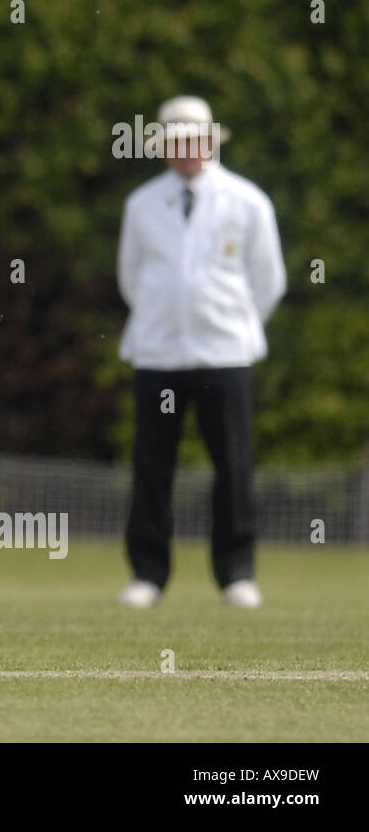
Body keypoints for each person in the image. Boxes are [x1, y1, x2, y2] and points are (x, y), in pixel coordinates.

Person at [116, 95, 286, 609]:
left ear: (210, 142)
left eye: (193, 141)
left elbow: (268, 281)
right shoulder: (142, 204)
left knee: (232, 465)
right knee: (152, 464)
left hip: (225, 354)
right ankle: (148, 575)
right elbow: (131, 278)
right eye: (175, 143)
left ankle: (236, 574)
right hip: (158, 353)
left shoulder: (247, 201)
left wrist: (227, 323)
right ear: (163, 148)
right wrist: (163, 316)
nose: (186, 151)